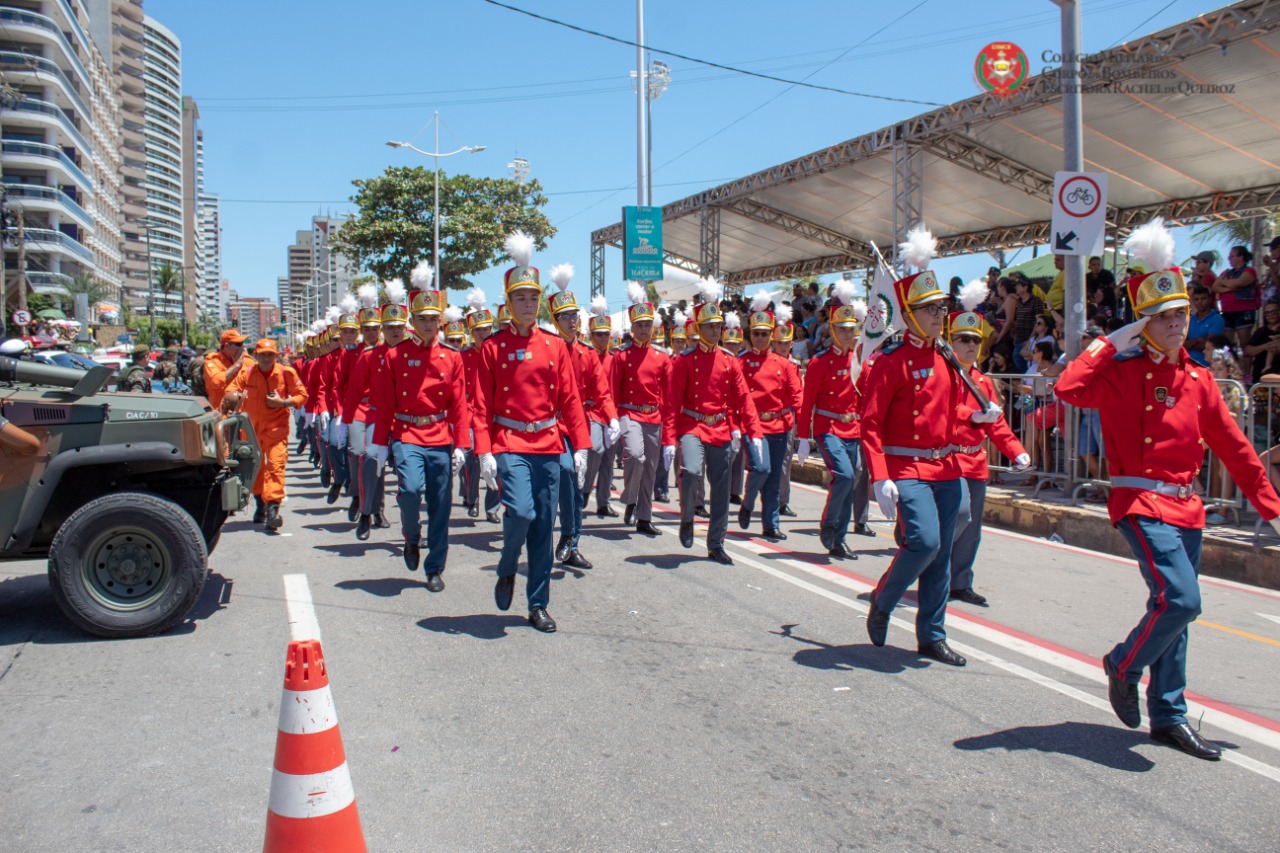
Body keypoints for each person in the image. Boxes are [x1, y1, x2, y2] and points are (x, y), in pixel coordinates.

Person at [1055, 218, 1280, 760]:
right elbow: (1067, 386)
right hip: (1139, 502)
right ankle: (1122, 665)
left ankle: (1169, 714)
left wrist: (1272, 508)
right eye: (1163, 316)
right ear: (1143, 325)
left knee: (1173, 611)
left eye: (1181, 313)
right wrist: (1113, 341)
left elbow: (1236, 451)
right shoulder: (1121, 371)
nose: (1178, 324)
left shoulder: (1200, 380)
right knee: (1181, 599)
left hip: (1187, 508)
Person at [472, 233, 591, 633]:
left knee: (544, 526)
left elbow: (571, 398)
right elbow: (480, 406)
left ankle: (537, 603)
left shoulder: (555, 346)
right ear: (508, 302)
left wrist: (582, 445)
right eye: (520, 298)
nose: (528, 305)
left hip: (548, 442)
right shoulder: (492, 348)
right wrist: (484, 453)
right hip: (510, 442)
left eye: (533, 298)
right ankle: (507, 567)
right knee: (521, 512)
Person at [863, 229, 970, 667]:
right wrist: (879, 476)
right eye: (928, 308)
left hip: (945, 467)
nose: (938, 315)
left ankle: (932, 634)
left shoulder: (946, 357)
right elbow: (870, 421)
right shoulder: (891, 361)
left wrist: (977, 421)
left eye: (941, 307)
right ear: (907, 313)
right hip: (906, 467)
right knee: (924, 542)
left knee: (945, 548)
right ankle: (884, 598)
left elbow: (954, 411)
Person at [370, 275, 470, 590]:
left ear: (440, 321)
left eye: (433, 319)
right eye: (422, 319)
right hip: (406, 433)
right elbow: (385, 403)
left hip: (440, 435)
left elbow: (460, 403)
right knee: (411, 490)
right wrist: (379, 445)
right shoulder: (395, 356)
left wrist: (461, 445)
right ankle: (411, 536)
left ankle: (434, 567)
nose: (428, 325)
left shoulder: (452, 357)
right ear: (412, 320)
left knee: (441, 503)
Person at [662, 278, 763, 565]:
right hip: (692, 426)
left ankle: (716, 542)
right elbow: (672, 404)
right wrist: (669, 440)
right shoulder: (684, 361)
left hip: (719, 428)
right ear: (698, 328)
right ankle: (686, 517)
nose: (715, 331)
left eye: (718, 326)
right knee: (691, 471)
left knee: (721, 488)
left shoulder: (730, 361)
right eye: (709, 326)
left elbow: (743, 399)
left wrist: (753, 432)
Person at [945, 309, 1030, 607]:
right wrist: (972, 415)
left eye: (976, 340)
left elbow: (997, 423)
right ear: (950, 342)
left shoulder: (982, 380)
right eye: (964, 339)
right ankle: (937, 577)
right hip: (949, 461)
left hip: (975, 461)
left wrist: (1016, 451)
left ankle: (960, 582)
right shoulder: (943, 376)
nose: (971, 345)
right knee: (956, 519)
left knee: (971, 529)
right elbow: (943, 412)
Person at [547, 263, 617, 571]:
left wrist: (612, 418)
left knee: (574, 488)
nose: (572, 321)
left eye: (575, 315)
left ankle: (572, 541)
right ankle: (556, 537)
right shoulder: (547, 350)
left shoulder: (588, 354)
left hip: (580, 426)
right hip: (550, 425)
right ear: (555, 320)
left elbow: (602, 392)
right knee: (563, 476)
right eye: (566, 316)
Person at [796, 283, 865, 558]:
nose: (849, 333)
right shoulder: (819, 363)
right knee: (845, 475)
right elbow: (807, 403)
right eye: (843, 328)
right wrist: (803, 438)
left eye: (851, 328)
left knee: (855, 475)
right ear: (832, 331)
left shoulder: (860, 362)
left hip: (853, 428)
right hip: (829, 429)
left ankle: (839, 538)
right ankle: (829, 522)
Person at [738, 296, 802, 541]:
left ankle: (770, 524)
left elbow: (796, 396)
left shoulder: (783, 364)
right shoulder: (741, 363)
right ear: (750, 335)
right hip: (753, 426)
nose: (761, 338)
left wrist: (805, 431)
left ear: (771, 335)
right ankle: (748, 501)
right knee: (761, 468)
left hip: (779, 426)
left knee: (774, 478)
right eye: (757, 333)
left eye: (765, 334)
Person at [227, 338, 307, 530]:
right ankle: (260, 504)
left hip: (276, 431)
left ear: (276, 356)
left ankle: (273, 509)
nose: (266, 358)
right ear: (256, 355)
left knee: (275, 466)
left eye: (270, 355)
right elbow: (232, 390)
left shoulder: (286, 373)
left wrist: (283, 403)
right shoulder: (247, 373)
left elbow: (302, 395)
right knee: (256, 471)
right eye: (263, 355)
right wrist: (234, 400)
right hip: (252, 432)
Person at [613, 287, 671, 537]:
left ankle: (644, 517)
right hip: (629, 413)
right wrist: (612, 422)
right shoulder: (621, 356)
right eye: (639, 325)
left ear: (653, 327)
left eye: (647, 325)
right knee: (636, 457)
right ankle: (629, 498)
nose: (644, 329)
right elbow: (613, 391)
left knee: (650, 468)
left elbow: (667, 397)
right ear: (632, 328)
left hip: (653, 416)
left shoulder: (662, 357)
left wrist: (669, 434)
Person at [341, 283, 386, 539]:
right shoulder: (352, 352)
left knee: (376, 460)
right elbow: (346, 384)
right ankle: (358, 497)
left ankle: (377, 508)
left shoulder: (387, 350)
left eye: (374, 328)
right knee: (358, 452)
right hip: (359, 408)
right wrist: (341, 416)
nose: (370, 333)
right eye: (365, 329)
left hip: (381, 410)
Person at [460, 289, 500, 523]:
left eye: (486, 329)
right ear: (471, 332)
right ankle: (472, 499)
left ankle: (492, 507)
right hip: (469, 413)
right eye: (478, 330)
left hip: (493, 414)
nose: (483, 334)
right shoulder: (463, 356)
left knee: (496, 459)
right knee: (473, 457)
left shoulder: (497, 353)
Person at [583, 298, 621, 518]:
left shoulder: (615, 359)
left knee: (608, 460)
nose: (603, 338)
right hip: (591, 412)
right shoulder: (586, 357)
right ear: (591, 335)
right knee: (595, 451)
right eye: (598, 334)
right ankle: (585, 489)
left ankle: (603, 502)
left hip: (611, 414)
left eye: (606, 334)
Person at [772, 305, 801, 518]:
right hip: (768, 417)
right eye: (779, 343)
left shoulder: (795, 365)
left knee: (785, 462)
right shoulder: (768, 362)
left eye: (786, 343)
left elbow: (800, 394)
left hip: (788, 415)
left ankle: (783, 501)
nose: (783, 347)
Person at [1213, 244, 1261, 362]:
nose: (1229, 259)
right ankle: (1232, 369)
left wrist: (1225, 283)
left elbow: (1239, 283)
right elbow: (1215, 287)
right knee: (1228, 345)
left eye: (1232, 256)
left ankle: (1247, 373)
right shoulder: (1227, 272)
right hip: (1228, 311)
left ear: (1240, 257)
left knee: (1244, 343)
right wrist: (1230, 287)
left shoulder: (1249, 271)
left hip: (1243, 310)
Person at [204, 329, 247, 410]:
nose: (242, 347)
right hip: (220, 411)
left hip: (241, 411)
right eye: (239, 344)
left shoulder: (245, 360)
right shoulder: (212, 360)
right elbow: (216, 382)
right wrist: (236, 365)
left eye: (242, 344)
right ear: (227, 346)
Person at [1184, 285, 1224, 367]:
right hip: (1188, 365)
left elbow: (1209, 346)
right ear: (1192, 300)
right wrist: (1198, 340)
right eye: (1196, 299)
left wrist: (1190, 344)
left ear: (1210, 299)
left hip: (1208, 366)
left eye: (1203, 298)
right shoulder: (1189, 320)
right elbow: (1181, 345)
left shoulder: (1217, 319)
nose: (1199, 302)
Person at [1244, 301, 1280, 382]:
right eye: (1267, 313)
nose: (1270, 315)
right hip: (1260, 378)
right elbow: (1247, 352)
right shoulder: (1260, 332)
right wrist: (1266, 346)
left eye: (1273, 312)